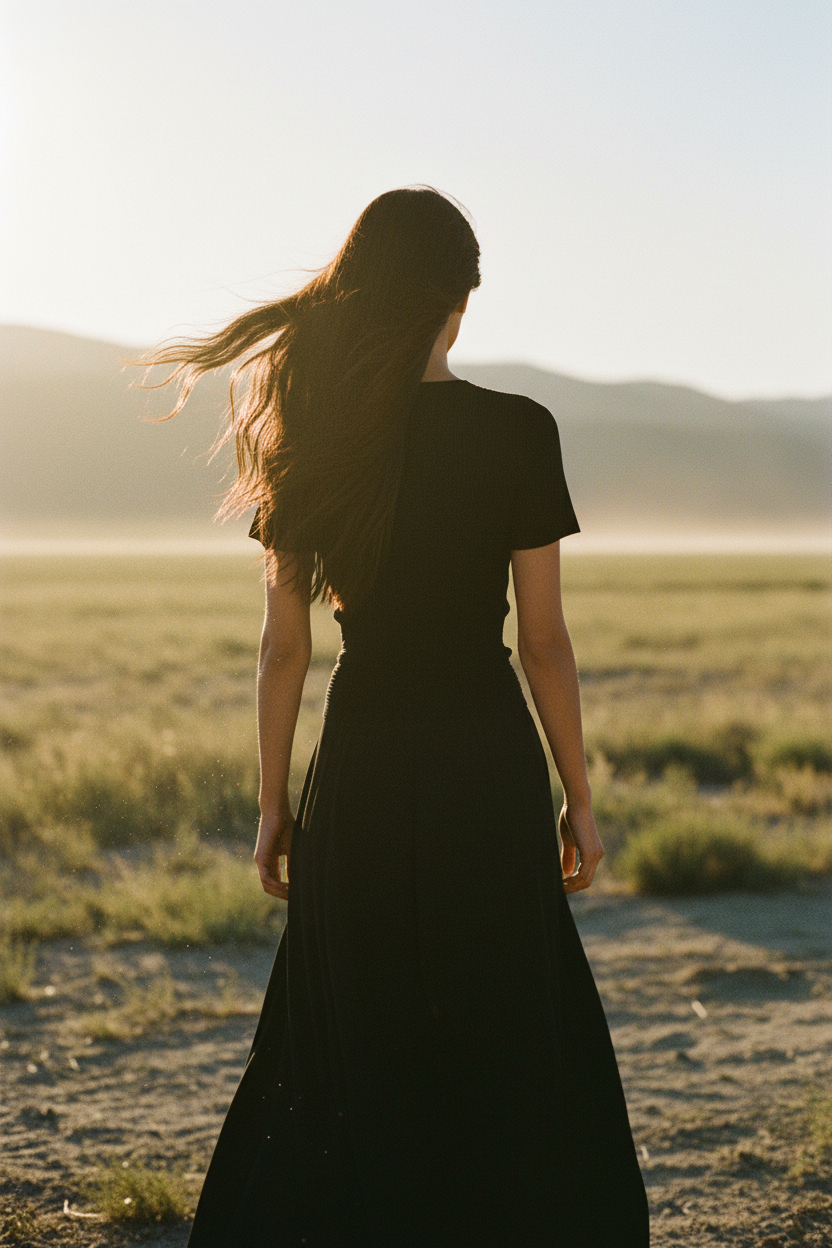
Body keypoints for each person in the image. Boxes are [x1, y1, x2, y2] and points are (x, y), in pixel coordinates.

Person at [149, 186, 649, 1246]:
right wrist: (580, 801)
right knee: (496, 996)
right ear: (457, 302)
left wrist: (271, 807)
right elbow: (546, 642)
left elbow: (286, 648)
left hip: (363, 756)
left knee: (358, 1008)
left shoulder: (313, 438)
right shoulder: (519, 430)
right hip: (483, 755)